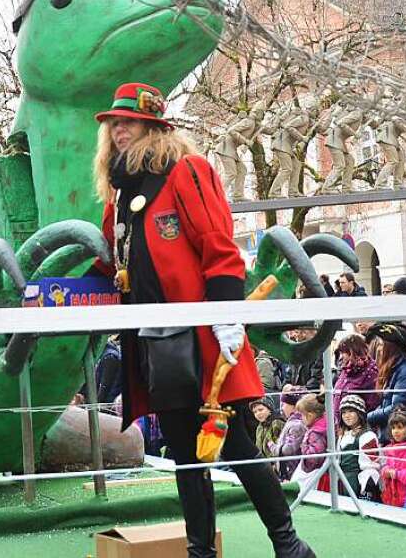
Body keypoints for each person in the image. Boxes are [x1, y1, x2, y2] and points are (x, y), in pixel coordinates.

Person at [90, 82, 315, 558]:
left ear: (154, 126)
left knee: (234, 446)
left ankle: (289, 545)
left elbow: (220, 251)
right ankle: (201, 553)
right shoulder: (119, 195)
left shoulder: (186, 171)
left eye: (127, 121)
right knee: (186, 457)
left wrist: (226, 317)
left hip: (205, 340)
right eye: (114, 123)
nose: (118, 130)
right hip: (154, 345)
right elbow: (115, 266)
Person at [365, 323, 406, 438]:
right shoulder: (393, 368)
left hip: (397, 434)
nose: (378, 348)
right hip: (387, 431)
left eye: (381, 344)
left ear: (391, 348)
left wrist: (369, 417)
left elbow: (397, 407)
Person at [334, 394, 381, 500]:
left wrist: (365, 488)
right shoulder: (343, 435)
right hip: (341, 482)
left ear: (360, 413)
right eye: (344, 412)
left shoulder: (367, 436)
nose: (347, 415)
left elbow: (371, 466)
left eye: (351, 411)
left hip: (356, 483)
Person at [331, 333, 380, 425]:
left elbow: (373, 403)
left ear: (353, 351)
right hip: (341, 425)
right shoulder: (346, 369)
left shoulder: (371, 372)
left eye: (343, 353)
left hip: (359, 427)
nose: (341, 357)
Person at [380, 407, 406, 508]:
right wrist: (385, 471)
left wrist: (397, 474)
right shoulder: (387, 449)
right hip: (389, 497)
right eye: (393, 428)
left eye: (400, 427)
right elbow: (382, 466)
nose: (395, 431)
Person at [271, 389, 308, 482]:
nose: (282, 408)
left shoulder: (297, 425)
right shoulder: (291, 421)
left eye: (284, 404)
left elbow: (288, 449)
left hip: (291, 471)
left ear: (294, 407)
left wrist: (271, 446)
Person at [297, 394, 328, 479]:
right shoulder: (328, 423)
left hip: (317, 475)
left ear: (310, 415)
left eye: (302, 415)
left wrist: (304, 446)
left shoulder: (315, 433)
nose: (301, 418)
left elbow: (313, 459)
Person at [250, 399, 286, 465]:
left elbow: (280, 448)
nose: (258, 414)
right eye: (255, 412)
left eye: (261, 410)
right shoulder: (260, 427)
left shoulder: (277, 423)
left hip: (277, 464)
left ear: (269, 409)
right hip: (264, 464)